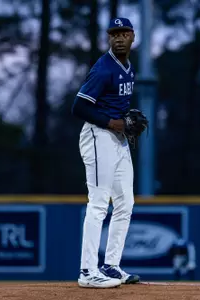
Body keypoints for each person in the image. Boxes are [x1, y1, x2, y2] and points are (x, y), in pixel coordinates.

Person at [71, 17, 140, 288]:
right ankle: (87, 271)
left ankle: (111, 266)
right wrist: (112, 122)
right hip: (98, 136)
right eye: (114, 34)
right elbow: (78, 107)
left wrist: (124, 122)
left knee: (125, 203)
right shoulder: (104, 69)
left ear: (133, 37)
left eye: (124, 33)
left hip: (118, 140)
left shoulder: (128, 68)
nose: (119, 38)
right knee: (99, 202)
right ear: (109, 38)